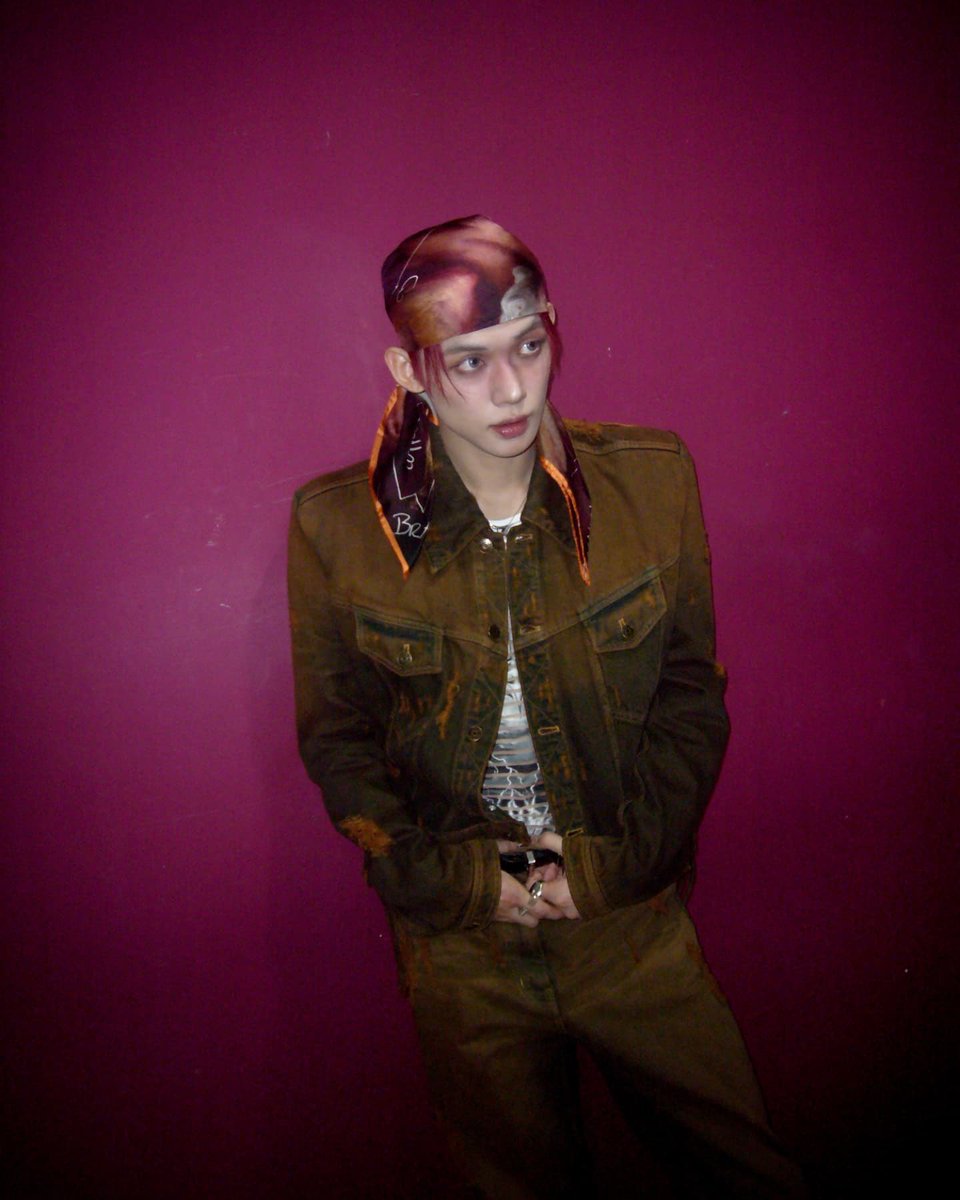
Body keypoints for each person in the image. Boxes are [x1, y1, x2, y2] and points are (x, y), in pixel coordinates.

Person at [288, 215, 804, 1198]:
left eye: (529, 346)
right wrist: (456, 886)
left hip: (625, 921)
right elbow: (338, 740)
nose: (513, 389)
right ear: (408, 370)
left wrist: (614, 868)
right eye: (469, 361)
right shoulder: (336, 528)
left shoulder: (652, 481)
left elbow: (691, 697)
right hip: (462, 949)